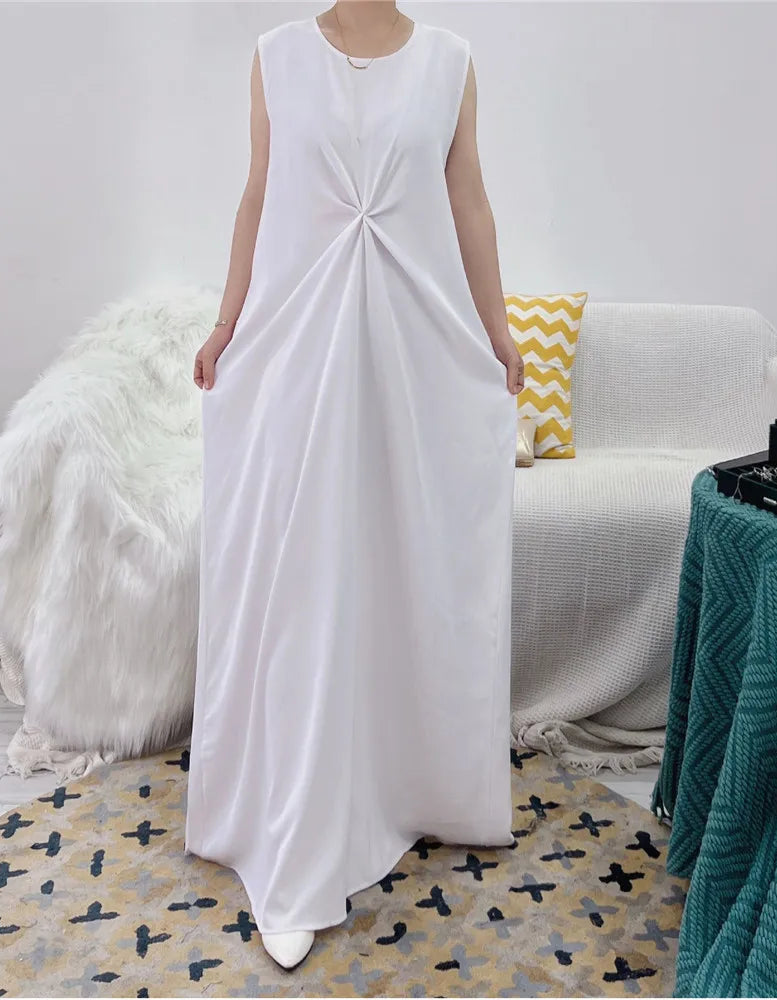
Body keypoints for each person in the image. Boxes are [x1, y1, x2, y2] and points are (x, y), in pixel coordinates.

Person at [184, 1, 525, 971]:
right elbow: (259, 195)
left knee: (398, 561)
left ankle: (410, 783)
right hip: (298, 349)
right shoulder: (276, 55)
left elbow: (467, 200)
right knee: (303, 572)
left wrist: (497, 330)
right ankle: (296, 836)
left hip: (406, 352)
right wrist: (226, 323)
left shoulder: (451, 61)